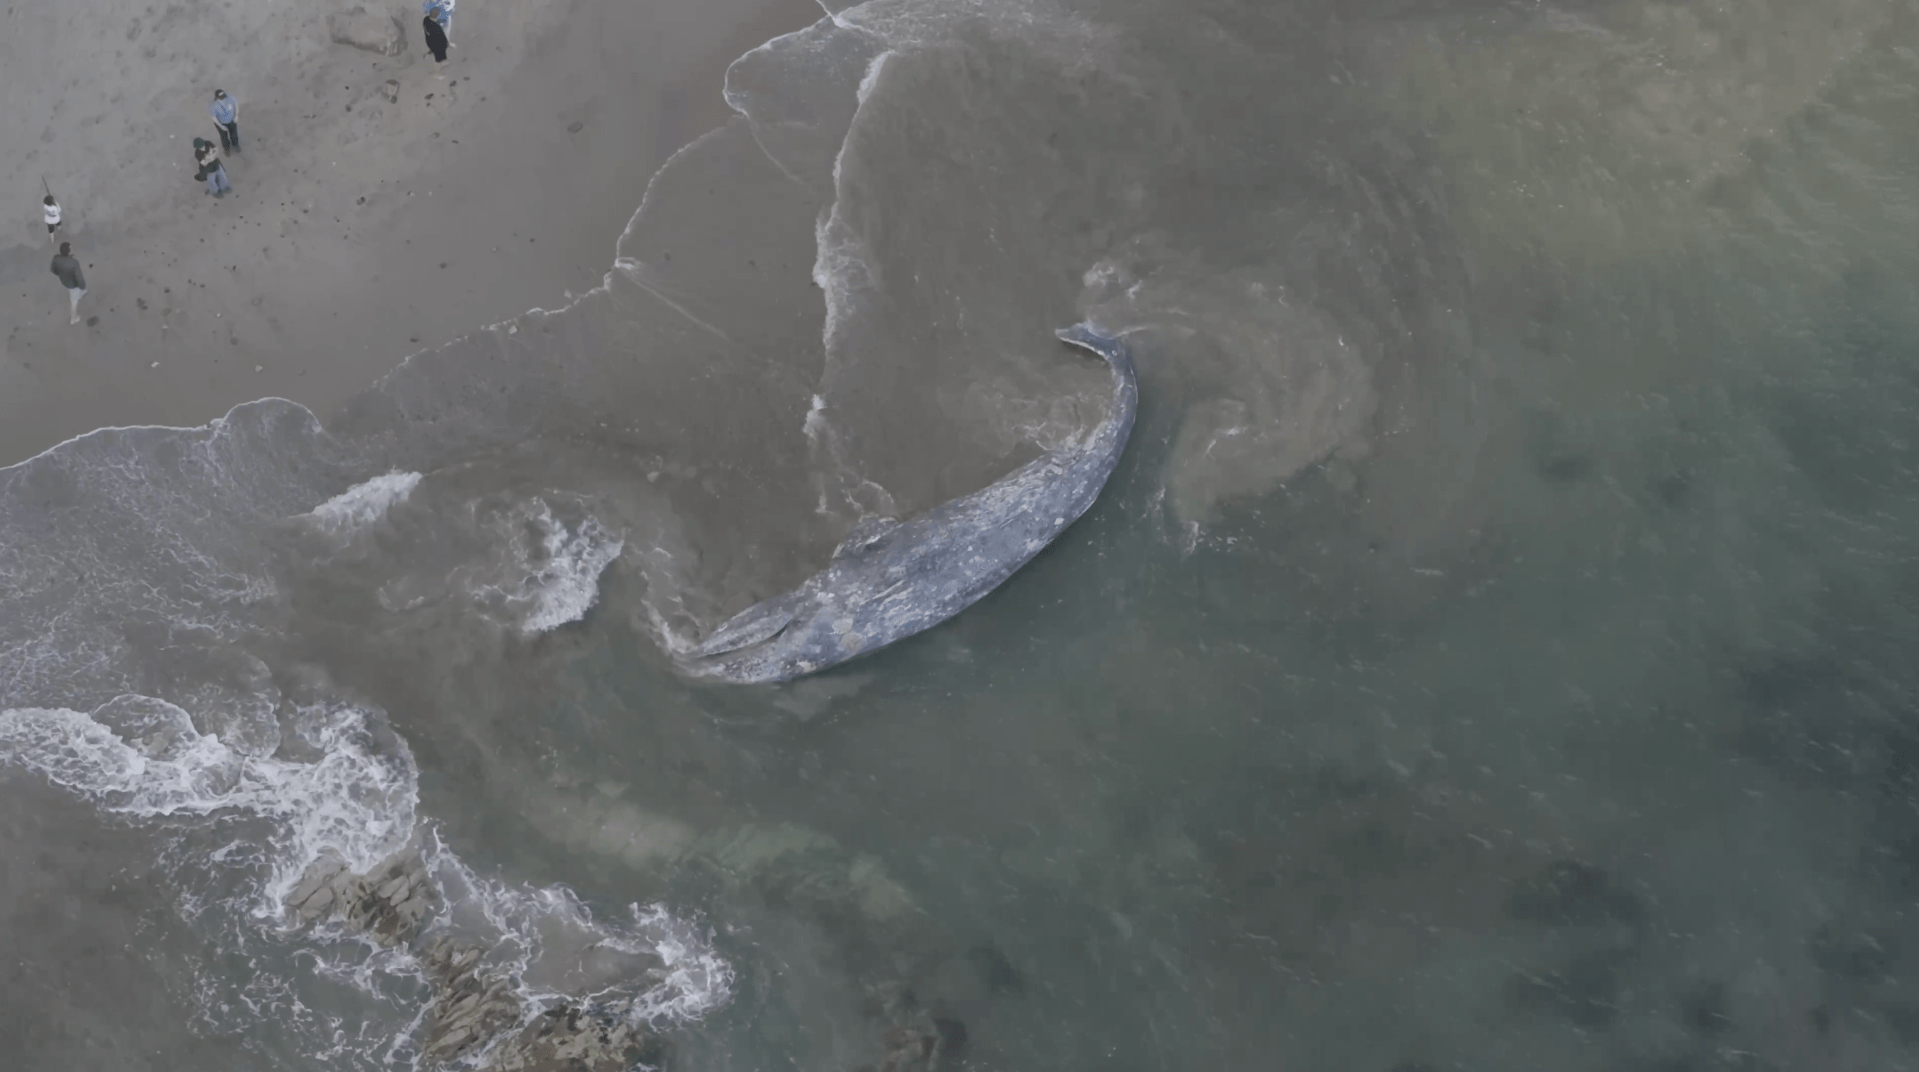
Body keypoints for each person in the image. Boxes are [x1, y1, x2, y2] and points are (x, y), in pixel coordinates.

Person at [50, 241, 86, 326]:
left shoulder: (56, 258)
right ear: (68, 251)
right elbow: (79, 278)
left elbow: (53, 270)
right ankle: (73, 318)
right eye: (71, 247)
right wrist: (82, 287)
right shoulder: (74, 262)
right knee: (74, 301)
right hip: (73, 285)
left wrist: (60, 274)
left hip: (65, 281)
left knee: (75, 293)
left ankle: (80, 293)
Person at [211, 89, 240, 154]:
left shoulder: (230, 98)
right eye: (221, 98)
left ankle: (236, 145)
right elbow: (214, 118)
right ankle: (227, 149)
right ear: (217, 98)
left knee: (234, 134)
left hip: (232, 120)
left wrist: (236, 115)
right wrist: (221, 126)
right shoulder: (214, 106)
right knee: (224, 138)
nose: (223, 99)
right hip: (221, 123)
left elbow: (236, 104)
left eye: (223, 97)